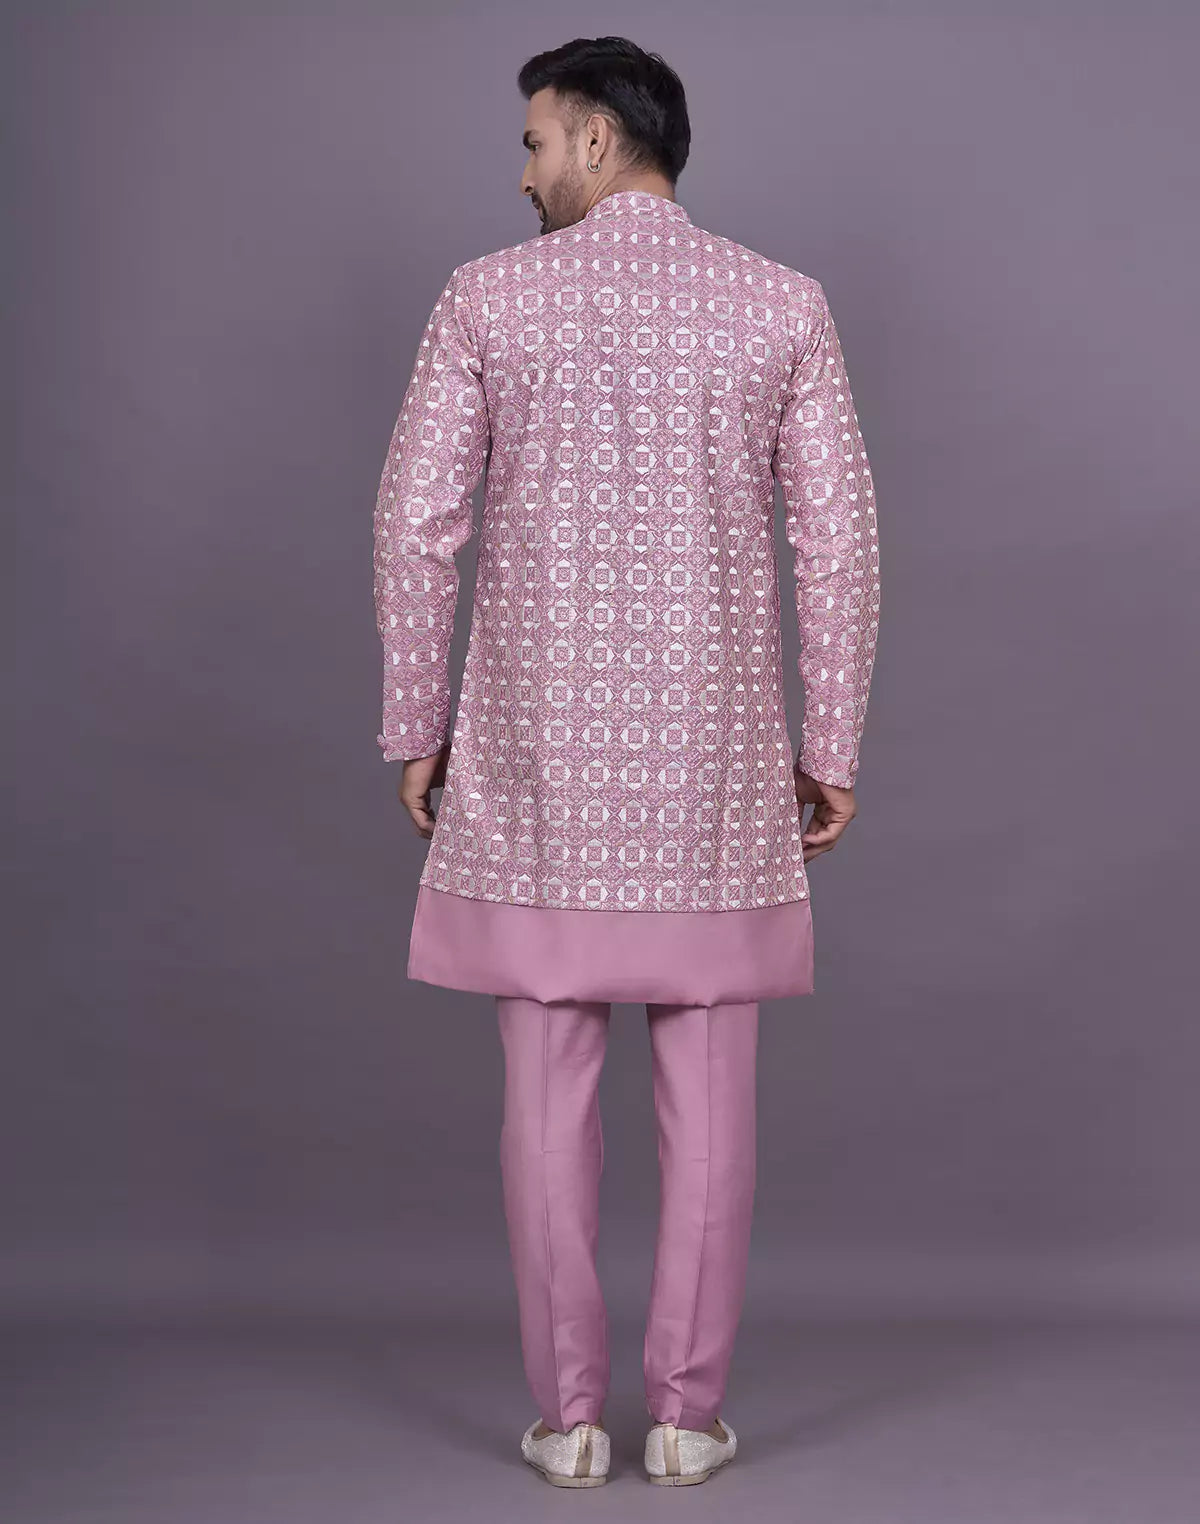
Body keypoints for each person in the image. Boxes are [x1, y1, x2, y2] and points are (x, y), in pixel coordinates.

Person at [371, 35, 881, 1488]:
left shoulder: (487, 298)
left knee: (546, 1095)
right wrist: (830, 743)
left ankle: (571, 1417)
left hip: (537, 759)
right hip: (715, 767)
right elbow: (840, 546)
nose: (525, 174)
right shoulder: (780, 303)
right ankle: (690, 1418)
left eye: (535, 142)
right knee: (711, 1096)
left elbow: (413, 525)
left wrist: (418, 724)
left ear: (598, 139)